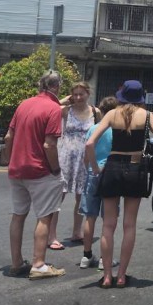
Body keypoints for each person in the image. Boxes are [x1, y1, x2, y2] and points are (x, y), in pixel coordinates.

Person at [86, 80, 153, 289]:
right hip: (135, 169)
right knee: (129, 225)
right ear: (140, 97)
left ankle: (107, 276)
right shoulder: (147, 116)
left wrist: (95, 168)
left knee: (108, 225)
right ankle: (122, 276)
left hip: (112, 167)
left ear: (122, 95)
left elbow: (89, 143)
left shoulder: (111, 114)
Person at [5, 70, 66, 280]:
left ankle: (16, 263)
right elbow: (49, 145)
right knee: (44, 217)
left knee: (18, 215)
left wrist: (11, 161)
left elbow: (8, 137)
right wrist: (56, 169)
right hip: (40, 171)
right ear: (56, 86)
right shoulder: (53, 108)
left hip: (17, 170)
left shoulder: (24, 104)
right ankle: (39, 264)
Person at [47, 82, 101, 251]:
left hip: (85, 159)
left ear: (88, 94)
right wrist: (65, 99)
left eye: (81, 94)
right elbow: (49, 108)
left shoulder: (95, 112)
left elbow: (100, 132)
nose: (78, 97)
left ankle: (77, 231)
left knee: (81, 196)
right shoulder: (65, 111)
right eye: (75, 94)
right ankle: (51, 235)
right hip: (65, 158)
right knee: (58, 196)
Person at [78, 96, 117, 269]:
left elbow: (86, 154)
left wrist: (91, 168)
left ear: (101, 110)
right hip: (110, 173)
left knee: (90, 216)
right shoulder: (117, 131)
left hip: (93, 173)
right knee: (108, 219)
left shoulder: (93, 129)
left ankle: (86, 256)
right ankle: (104, 258)